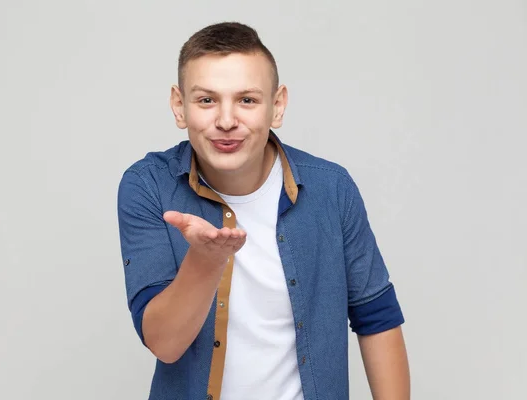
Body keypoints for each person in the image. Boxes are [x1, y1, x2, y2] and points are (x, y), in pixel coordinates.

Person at [117, 21, 410, 400]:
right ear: (179, 106)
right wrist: (205, 262)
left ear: (277, 106)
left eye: (247, 100)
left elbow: (378, 317)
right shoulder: (147, 187)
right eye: (207, 100)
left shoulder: (332, 189)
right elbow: (164, 343)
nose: (226, 120)